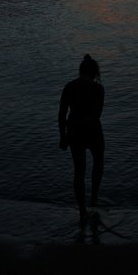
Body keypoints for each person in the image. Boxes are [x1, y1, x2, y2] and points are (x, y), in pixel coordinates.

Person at [58, 53, 105, 223]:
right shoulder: (98, 89)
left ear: (81, 71)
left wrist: (63, 136)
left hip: (74, 132)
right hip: (93, 131)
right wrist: (82, 123)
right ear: (94, 72)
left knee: (79, 171)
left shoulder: (69, 87)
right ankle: (94, 198)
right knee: (98, 164)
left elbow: (62, 115)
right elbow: (96, 115)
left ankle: (82, 211)